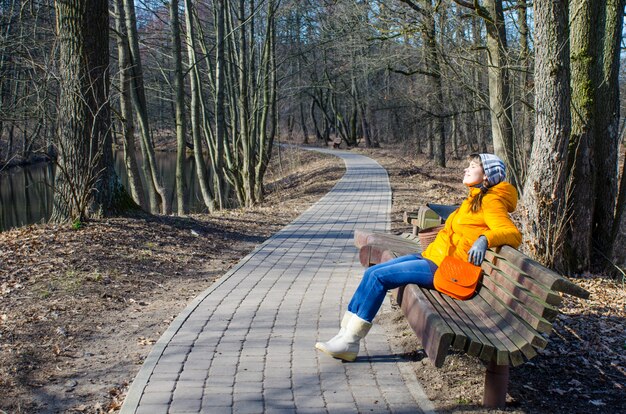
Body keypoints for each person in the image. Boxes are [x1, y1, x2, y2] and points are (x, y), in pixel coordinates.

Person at [315, 153, 522, 362]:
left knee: (379, 277)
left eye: (472, 166)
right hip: (433, 257)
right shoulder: (475, 198)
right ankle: (344, 334)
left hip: (445, 268)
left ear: (487, 176)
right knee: (372, 272)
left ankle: (350, 341)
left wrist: (484, 239)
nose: (466, 169)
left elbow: (512, 233)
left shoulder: (492, 201)